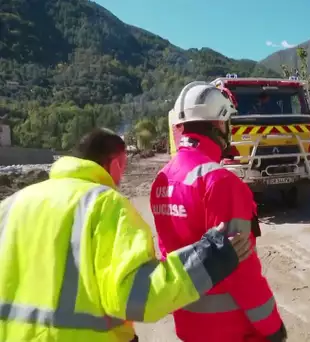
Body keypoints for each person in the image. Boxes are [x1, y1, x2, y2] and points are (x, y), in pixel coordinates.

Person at [0, 128, 252, 342]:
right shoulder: (104, 204)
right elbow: (138, 297)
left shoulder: (10, 205)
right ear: (117, 163)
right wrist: (209, 257)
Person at [150, 81, 287, 342]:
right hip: (232, 329)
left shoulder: (162, 179)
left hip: (189, 324)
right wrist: (271, 326)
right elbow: (240, 269)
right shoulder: (221, 182)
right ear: (218, 125)